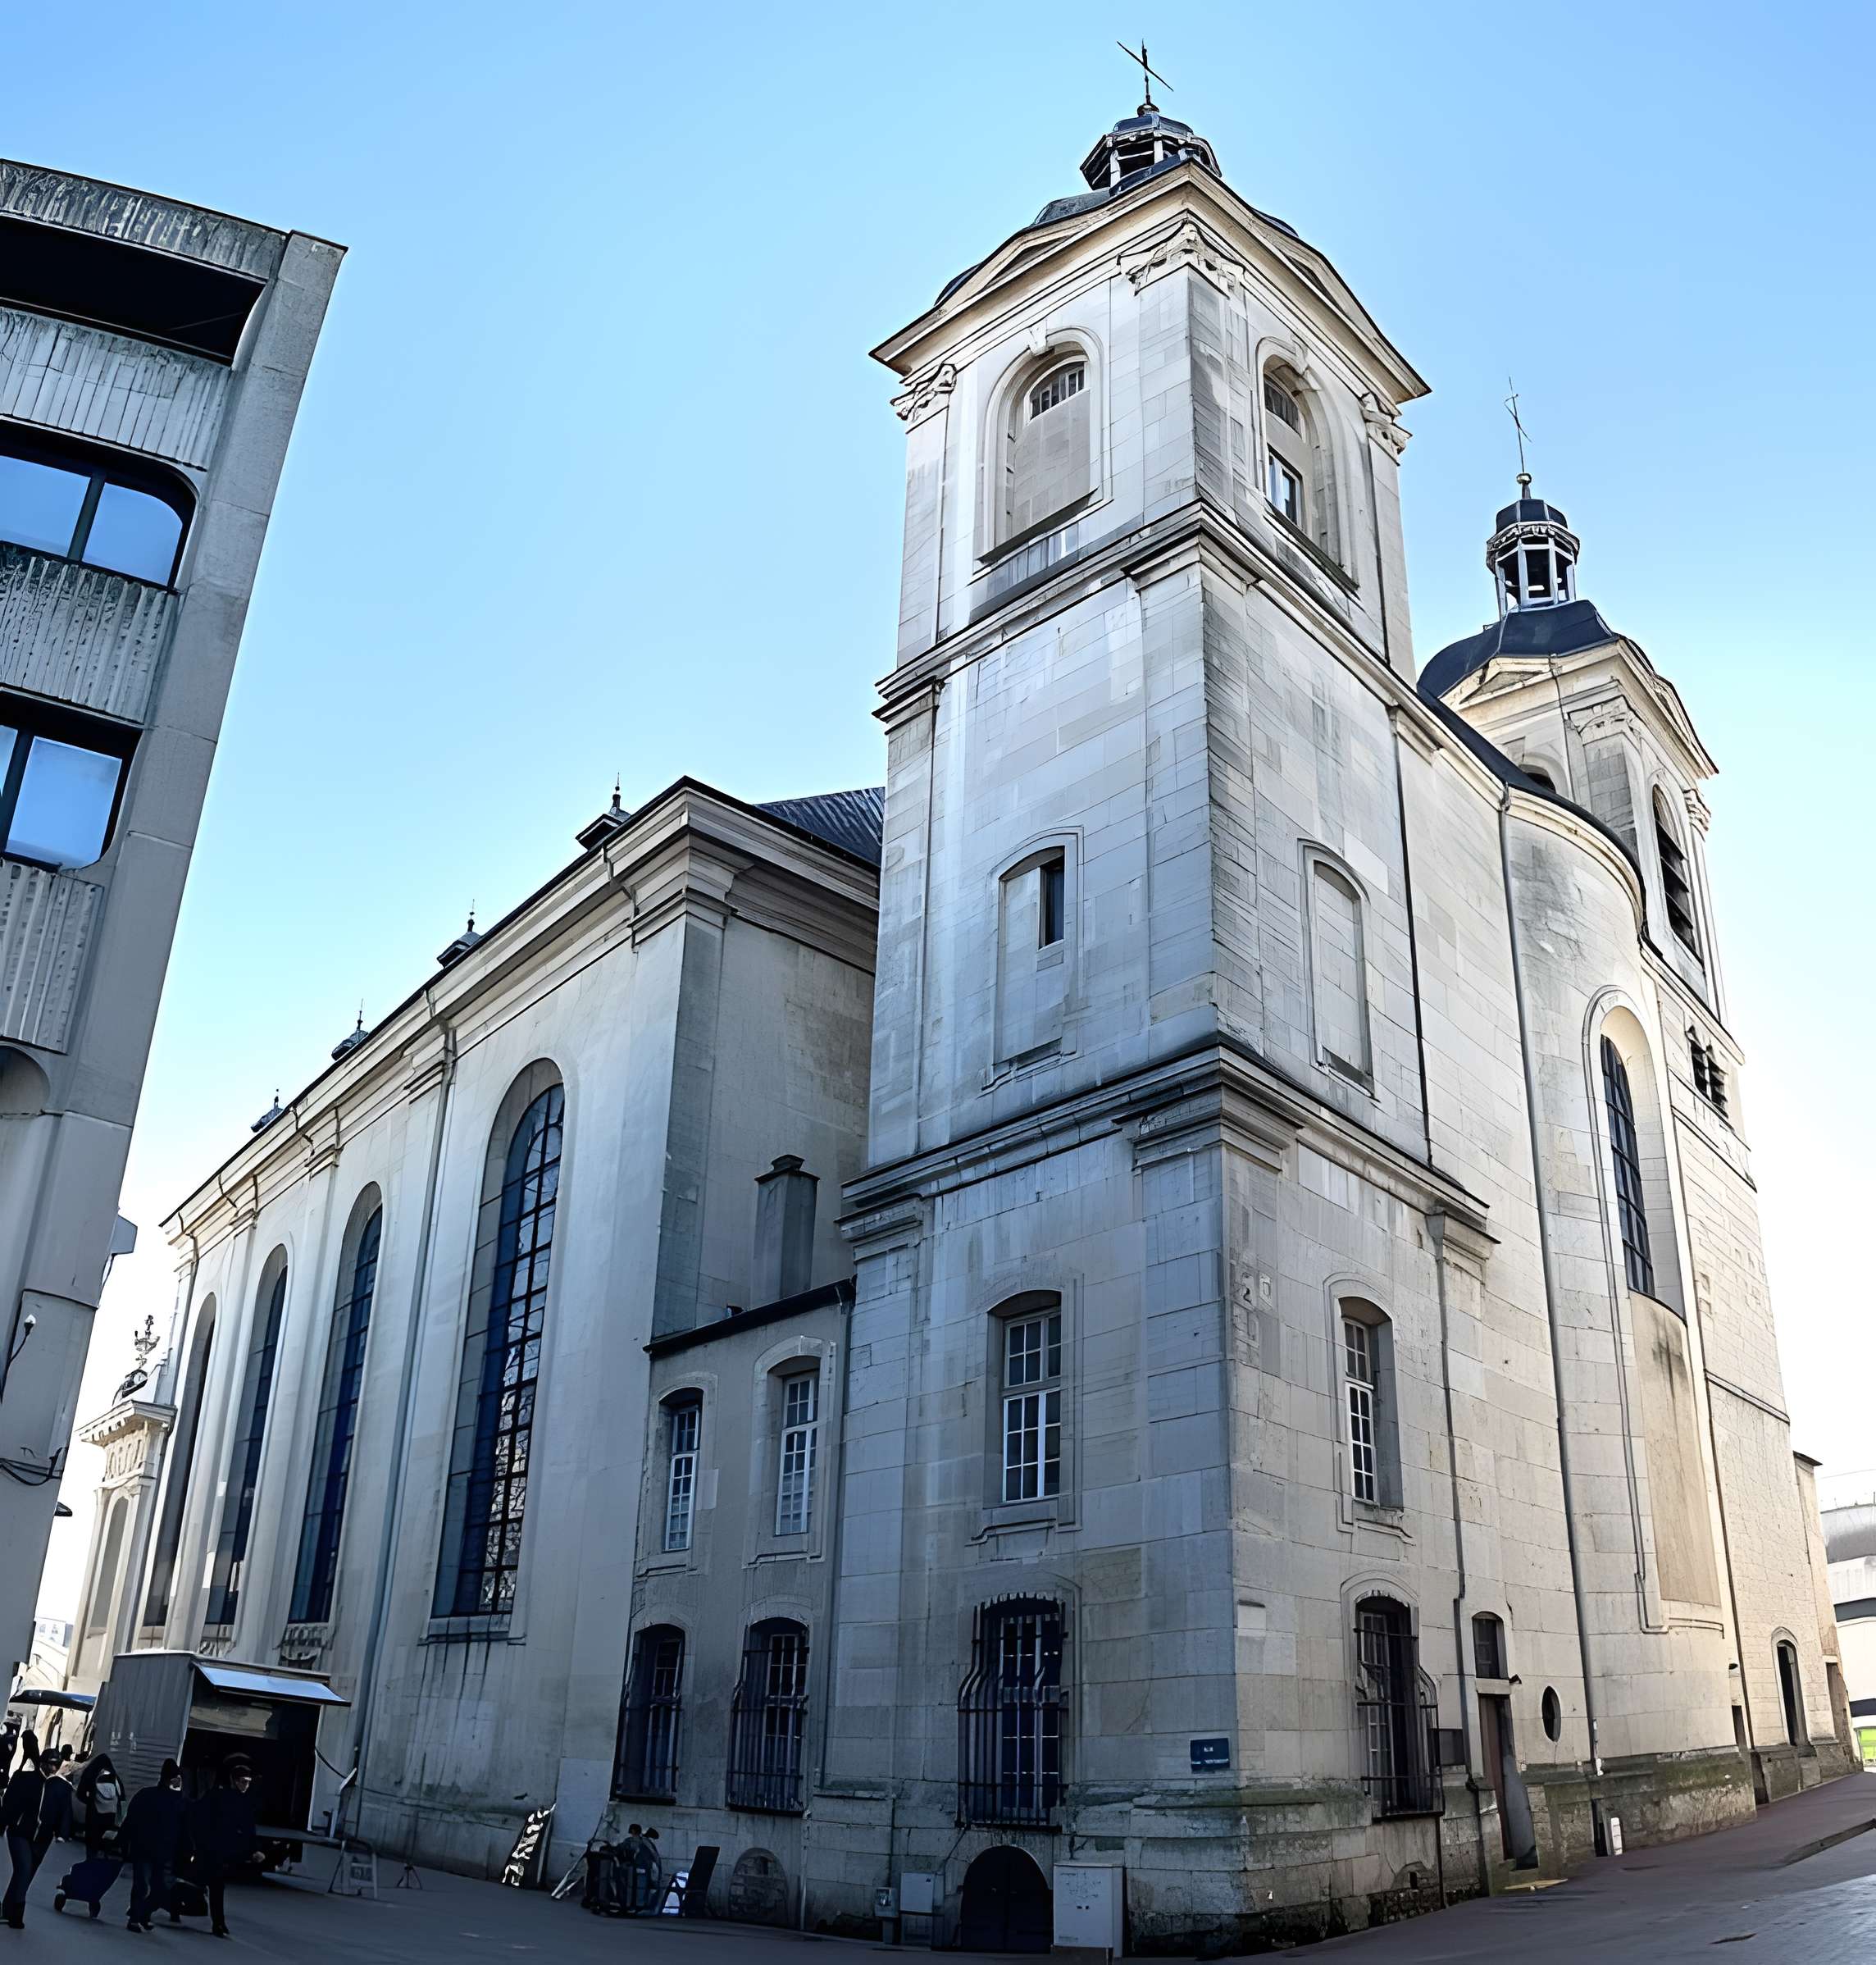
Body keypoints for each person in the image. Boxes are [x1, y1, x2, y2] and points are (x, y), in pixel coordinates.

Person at [1, 1745, 74, 1928]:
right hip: (20, 1833)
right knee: (24, 1869)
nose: (53, 1768)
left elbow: (65, 1811)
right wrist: (4, 1823)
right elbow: (9, 1803)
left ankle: (7, 1909)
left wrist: (62, 1833)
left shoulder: (62, 1787)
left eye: (57, 1764)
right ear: (42, 1762)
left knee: (26, 1873)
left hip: (42, 1838)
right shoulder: (24, 1779)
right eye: (50, 1763)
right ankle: (17, 1914)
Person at [189, 1757, 262, 1940]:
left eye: (248, 1782)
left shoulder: (243, 1802)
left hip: (219, 1853)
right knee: (194, 1882)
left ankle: (218, 1923)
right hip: (208, 1850)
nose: (246, 1786)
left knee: (215, 1887)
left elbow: (247, 1827)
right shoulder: (217, 1796)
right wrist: (199, 1843)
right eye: (243, 1782)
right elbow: (199, 1819)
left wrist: (254, 1850)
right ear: (234, 1780)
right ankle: (155, 1907)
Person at [121, 1759, 189, 1934]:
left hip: (154, 1850)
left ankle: (140, 1914)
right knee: (149, 1887)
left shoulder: (152, 1796)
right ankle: (137, 1917)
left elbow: (130, 1820)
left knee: (152, 1887)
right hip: (153, 1850)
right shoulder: (173, 1801)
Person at [74, 1753, 124, 1858]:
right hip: (110, 1817)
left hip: (94, 1816)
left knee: (92, 1847)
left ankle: (90, 1865)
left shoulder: (91, 1773)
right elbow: (122, 1796)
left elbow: (80, 1794)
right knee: (104, 1846)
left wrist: (92, 1801)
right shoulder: (114, 1777)